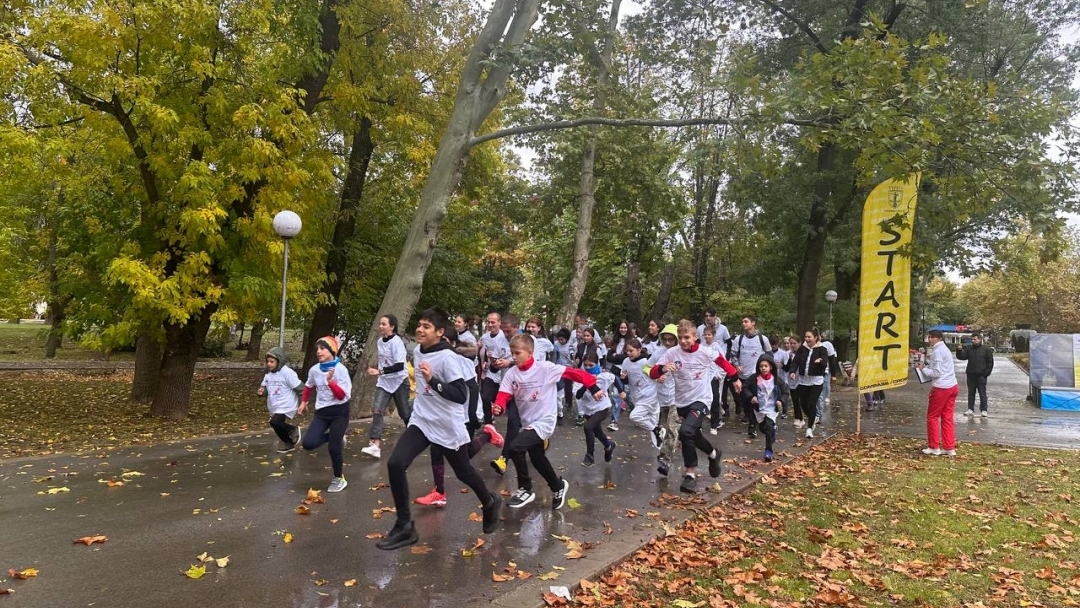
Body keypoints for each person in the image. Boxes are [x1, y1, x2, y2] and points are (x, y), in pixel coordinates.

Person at [376, 308, 502, 550]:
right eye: (419, 325)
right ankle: (404, 526)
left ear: (440, 332)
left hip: (446, 425)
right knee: (396, 463)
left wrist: (434, 380)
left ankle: (488, 502)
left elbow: (459, 394)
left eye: (426, 326)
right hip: (423, 421)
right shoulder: (417, 351)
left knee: (464, 471)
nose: (420, 329)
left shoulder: (447, 358)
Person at [492, 333, 606, 510]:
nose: (513, 357)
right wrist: (499, 405)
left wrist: (593, 386)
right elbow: (504, 394)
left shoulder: (545, 368)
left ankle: (525, 488)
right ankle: (558, 486)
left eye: (517, 353)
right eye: (511, 353)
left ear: (530, 353)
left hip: (544, 421)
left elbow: (573, 373)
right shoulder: (512, 374)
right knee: (538, 459)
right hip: (528, 421)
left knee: (515, 447)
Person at [413, 325, 505, 509]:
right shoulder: (431, 355)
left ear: (452, 343)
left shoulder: (456, 358)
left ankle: (488, 435)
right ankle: (439, 492)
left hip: (462, 412)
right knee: (437, 449)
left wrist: (471, 415)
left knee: (465, 455)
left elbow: (471, 386)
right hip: (443, 413)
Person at [649, 320, 740, 494]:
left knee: (685, 432)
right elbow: (653, 372)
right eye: (681, 337)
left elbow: (723, 362)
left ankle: (690, 474)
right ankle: (714, 454)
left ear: (695, 337)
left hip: (702, 399)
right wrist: (661, 369)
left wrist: (735, 379)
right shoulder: (672, 353)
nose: (683, 341)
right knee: (693, 434)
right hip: (682, 401)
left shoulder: (706, 352)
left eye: (687, 337)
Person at [299, 336, 353, 493]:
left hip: (339, 413)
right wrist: (303, 402)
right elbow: (309, 386)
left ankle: (338, 478)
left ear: (332, 350)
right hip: (322, 413)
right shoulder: (315, 370)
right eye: (317, 349)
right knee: (308, 444)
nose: (318, 352)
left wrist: (330, 382)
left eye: (322, 348)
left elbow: (342, 396)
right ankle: (335, 436)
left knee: (334, 447)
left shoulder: (341, 370)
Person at [362, 315, 411, 460]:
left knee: (405, 413)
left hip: (399, 381)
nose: (381, 326)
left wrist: (379, 371)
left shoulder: (397, 343)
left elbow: (399, 365)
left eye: (384, 324)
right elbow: (383, 361)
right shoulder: (379, 342)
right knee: (377, 410)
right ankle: (375, 444)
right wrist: (380, 373)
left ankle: (416, 435)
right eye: (380, 323)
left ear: (392, 327)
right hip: (384, 382)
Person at [917, 329, 959, 457]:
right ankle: (949, 447)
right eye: (929, 337)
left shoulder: (937, 352)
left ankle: (934, 446)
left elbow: (937, 373)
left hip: (941, 388)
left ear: (939, 338)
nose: (930, 339)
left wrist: (923, 369)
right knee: (947, 417)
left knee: (932, 417)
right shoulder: (945, 349)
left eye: (932, 337)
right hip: (952, 385)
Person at [730, 315, 772, 437]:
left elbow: (769, 355)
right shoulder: (739, 339)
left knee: (756, 398)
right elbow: (733, 354)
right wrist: (737, 365)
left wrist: (765, 369)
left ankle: (755, 422)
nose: (743, 324)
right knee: (745, 398)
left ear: (753, 323)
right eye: (742, 321)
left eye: (746, 321)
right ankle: (749, 415)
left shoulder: (762, 339)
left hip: (757, 374)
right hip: (743, 374)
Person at [575, 352, 619, 466]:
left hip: (602, 407)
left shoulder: (603, 376)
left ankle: (590, 457)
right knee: (598, 432)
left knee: (588, 427)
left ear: (597, 364)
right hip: (588, 410)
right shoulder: (580, 377)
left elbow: (615, 379)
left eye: (591, 365)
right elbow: (578, 395)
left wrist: (622, 391)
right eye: (586, 365)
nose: (588, 368)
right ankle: (609, 445)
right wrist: (587, 383)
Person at [258, 346, 303, 453]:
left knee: (275, 421)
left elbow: (301, 388)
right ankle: (288, 443)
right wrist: (262, 391)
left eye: (272, 362)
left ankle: (293, 430)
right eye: (268, 361)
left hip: (287, 404)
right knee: (275, 424)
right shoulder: (268, 374)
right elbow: (265, 388)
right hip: (275, 406)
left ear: (279, 361)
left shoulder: (287, 373)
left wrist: (303, 402)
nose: (269, 364)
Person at [623, 338, 666, 450]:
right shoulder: (625, 362)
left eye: (631, 351)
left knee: (634, 416)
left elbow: (655, 373)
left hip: (650, 396)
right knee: (654, 429)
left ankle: (656, 430)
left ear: (639, 350)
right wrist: (624, 378)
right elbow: (626, 380)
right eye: (627, 351)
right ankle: (661, 451)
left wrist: (659, 378)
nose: (628, 353)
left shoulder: (646, 362)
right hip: (637, 397)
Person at [788, 328, 829, 440]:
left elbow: (825, 363)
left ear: (815, 338)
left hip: (816, 381)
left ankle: (809, 428)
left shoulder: (822, 349)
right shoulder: (802, 348)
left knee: (812, 403)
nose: (807, 339)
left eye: (809, 337)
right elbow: (796, 361)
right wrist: (792, 372)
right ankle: (813, 416)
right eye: (806, 337)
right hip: (803, 380)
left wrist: (820, 361)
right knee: (802, 402)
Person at [651, 324, 679, 477]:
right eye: (665, 339)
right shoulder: (658, 353)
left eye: (671, 340)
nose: (668, 343)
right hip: (662, 396)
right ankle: (664, 451)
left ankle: (666, 460)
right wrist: (656, 375)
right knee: (665, 428)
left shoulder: (682, 354)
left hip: (679, 397)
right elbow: (647, 368)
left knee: (673, 428)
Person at [742, 354, 782, 462]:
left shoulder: (776, 379)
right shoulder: (754, 378)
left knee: (768, 427)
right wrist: (751, 397)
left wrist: (780, 401)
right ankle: (772, 431)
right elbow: (745, 387)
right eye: (761, 366)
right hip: (759, 408)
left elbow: (785, 391)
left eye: (766, 366)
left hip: (771, 408)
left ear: (771, 367)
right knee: (763, 428)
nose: (763, 368)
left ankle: (768, 451)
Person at [957, 333, 994, 417]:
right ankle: (970, 409)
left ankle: (984, 410)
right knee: (971, 392)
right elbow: (962, 357)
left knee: (982, 393)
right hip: (971, 374)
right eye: (972, 339)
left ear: (980, 339)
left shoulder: (986, 349)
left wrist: (986, 373)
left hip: (981, 375)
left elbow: (990, 362)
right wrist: (959, 351)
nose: (973, 341)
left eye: (975, 339)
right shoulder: (969, 348)